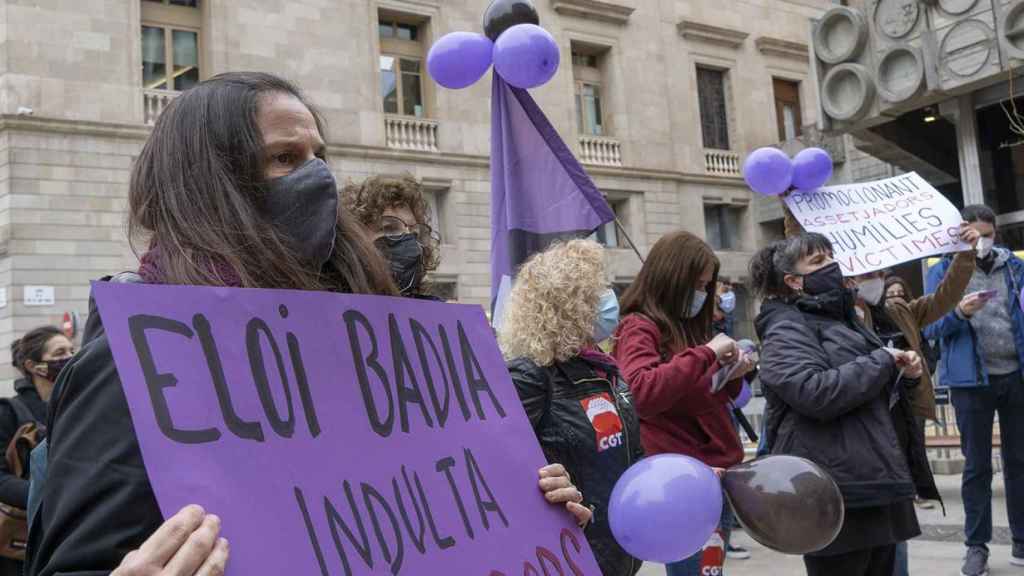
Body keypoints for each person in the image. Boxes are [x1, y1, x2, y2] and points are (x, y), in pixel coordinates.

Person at [26, 72, 589, 576]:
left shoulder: (370, 342)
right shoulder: (137, 365)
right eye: (285, 158)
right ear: (211, 182)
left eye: (319, 155)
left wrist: (525, 510)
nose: (317, 176)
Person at [752, 232, 933, 576]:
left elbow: (870, 393)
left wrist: (905, 376)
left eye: (831, 256)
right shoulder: (785, 327)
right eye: (818, 262)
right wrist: (881, 361)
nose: (832, 265)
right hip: (834, 490)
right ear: (793, 281)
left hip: (874, 482)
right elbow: (812, 391)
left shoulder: (844, 319)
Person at [498, 239, 643, 576]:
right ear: (569, 304)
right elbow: (497, 469)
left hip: (621, 551)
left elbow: (631, 454)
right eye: (598, 290)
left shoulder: (605, 370)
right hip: (570, 554)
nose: (609, 299)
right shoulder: (530, 375)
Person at [612, 231, 753, 576]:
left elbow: (702, 397)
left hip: (715, 472)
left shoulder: (687, 328)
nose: (703, 295)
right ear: (673, 278)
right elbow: (641, 393)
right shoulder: (639, 327)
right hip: (682, 482)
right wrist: (706, 354)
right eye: (698, 285)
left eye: (707, 286)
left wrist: (734, 375)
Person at [924, 204, 1024, 576]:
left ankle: (1021, 542)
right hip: (971, 383)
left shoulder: (1014, 268)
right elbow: (930, 328)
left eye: (988, 235)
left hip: (1015, 376)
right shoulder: (942, 273)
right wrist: (959, 313)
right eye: (973, 235)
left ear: (996, 234)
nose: (981, 242)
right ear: (960, 235)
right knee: (977, 468)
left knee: (1020, 463)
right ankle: (976, 547)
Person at [0, 327, 71, 576]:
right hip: (18, 542)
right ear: (33, 365)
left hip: (66, 531)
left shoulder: (76, 408)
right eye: (60, 352)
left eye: (72, 350)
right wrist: (42, 495)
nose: (69, 357)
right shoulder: (9, 412)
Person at [345, 174, 441, 299]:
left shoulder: (441, 315)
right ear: (356, 235)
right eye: (389, 228)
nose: (408, 238)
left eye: (415, 234)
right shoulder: (325, 308)